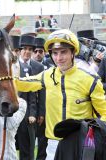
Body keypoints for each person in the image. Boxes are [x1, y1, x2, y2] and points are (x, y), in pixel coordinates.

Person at [14, 29, 106, 160]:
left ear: (73, 52)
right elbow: (21, 83)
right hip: (53, 144)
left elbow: (103, 114)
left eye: (63, 52)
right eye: (55, 53)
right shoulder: (47, 75)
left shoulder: (90, 79)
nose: (59, 58)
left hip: (81, 144)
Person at [17, 34, 44, 160]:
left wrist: (40, 113)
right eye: (24, 48)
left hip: (30, 114)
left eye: (30, 49)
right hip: (12, 111)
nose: (27, 52)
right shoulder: (11, 64)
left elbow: (41, 92)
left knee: (28, 147)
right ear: (20, 50)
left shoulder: (38, 67)